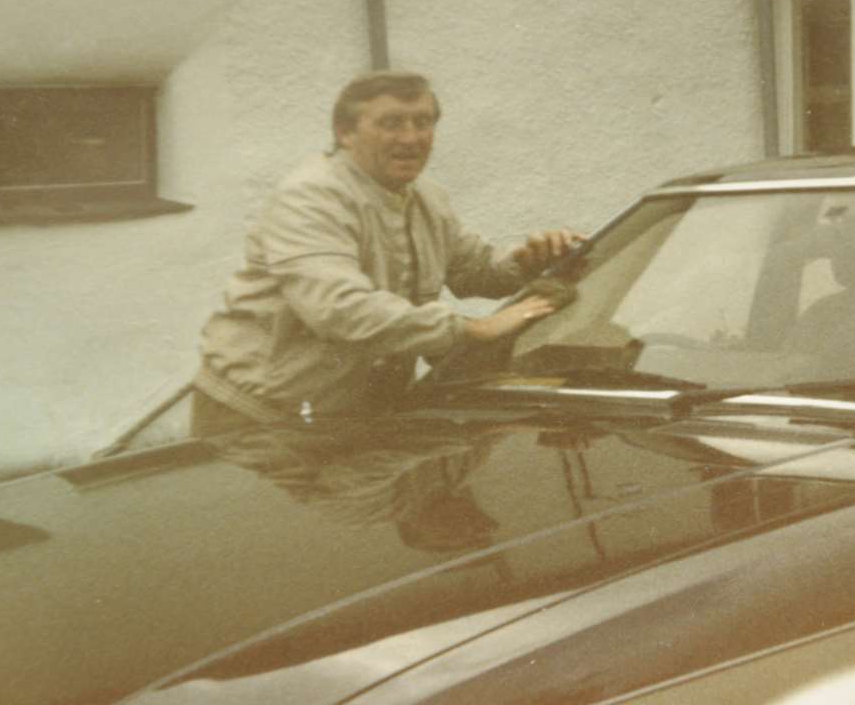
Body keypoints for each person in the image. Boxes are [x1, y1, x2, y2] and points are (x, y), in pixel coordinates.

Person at [191, 70, 581, 436]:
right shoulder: (310, 197)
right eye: (392, 123)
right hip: (257, 418)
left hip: (354, 416)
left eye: (423, 122)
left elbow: (474, 270)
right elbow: (340, 311)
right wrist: (470, 331)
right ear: (346, 133)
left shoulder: (427, 197)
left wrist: (528, 260)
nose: (411, 138)